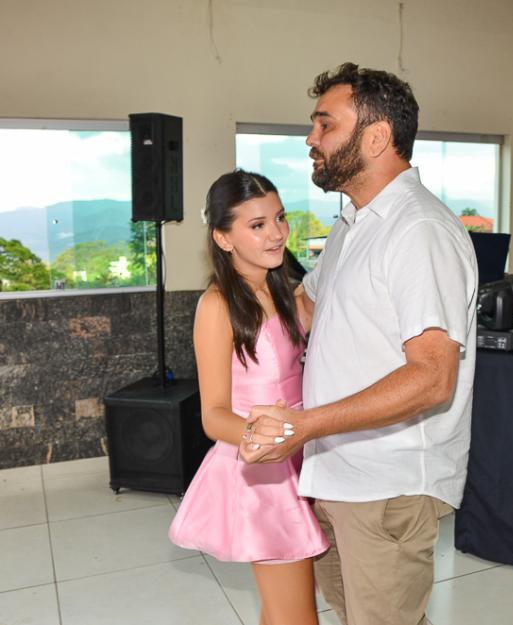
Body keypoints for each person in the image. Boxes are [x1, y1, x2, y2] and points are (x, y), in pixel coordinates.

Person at [240, 63, 479, 625]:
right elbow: (305, 309)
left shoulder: (418, 230)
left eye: (325, 124)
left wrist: (306, 425)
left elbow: (432, 377)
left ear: (376, 137)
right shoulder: (355, 223)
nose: (311, 138)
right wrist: (239, 272)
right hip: (338, 471)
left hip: (387, 483)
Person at [168, 170, 329, 625]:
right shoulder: (218, 305)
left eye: (279, 218)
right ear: (223, 238)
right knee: (297, 617)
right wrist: (269, 436)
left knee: (283, 610)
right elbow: (214, 415)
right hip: (267, 472)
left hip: (303, 452)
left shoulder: (282, 290)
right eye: (257, 225)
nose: (276, 233)